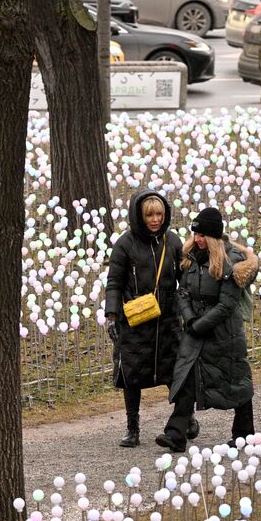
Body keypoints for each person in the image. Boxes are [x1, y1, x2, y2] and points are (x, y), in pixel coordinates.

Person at [157, 207, 259, 452]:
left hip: (225, 335)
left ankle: (244, 434)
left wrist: (199, 325)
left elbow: (227, 304)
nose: (197, 239)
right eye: (195, 235)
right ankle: (176, 434)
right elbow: (182, 292)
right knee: (186, 377)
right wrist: (191, 320)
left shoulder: (232, 262)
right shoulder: (191, 257)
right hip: (196, 330)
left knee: (235, 382)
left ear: (212, 236)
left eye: (202, 235)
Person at [103, 188, 197, 447]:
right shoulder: (125, 244)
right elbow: (114, 282)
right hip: (134, 321)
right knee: (131, 375)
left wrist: (189, 311)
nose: (155, 219)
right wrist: (111, 315)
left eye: (159, 214)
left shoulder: (173, 242)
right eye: (149, 215)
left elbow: (185, 280)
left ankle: (184, 417)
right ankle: (132, 428)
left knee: (174, 372)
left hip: (167, 320)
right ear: (139, 216)